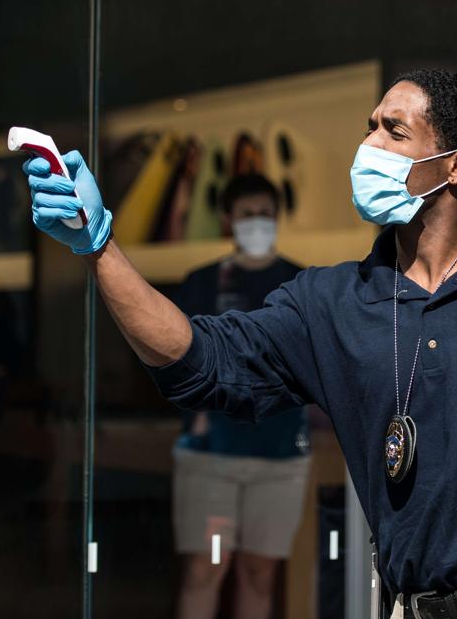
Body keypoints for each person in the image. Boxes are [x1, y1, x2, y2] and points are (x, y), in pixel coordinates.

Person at [24, 69, 457, 618]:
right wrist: (100, 248)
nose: (368, 145)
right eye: (369, 127)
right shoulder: (331, 303)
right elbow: (201, 363)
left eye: (393, 130)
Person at [171, 174, 310, 619]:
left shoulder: (300, 284)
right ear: (228, 219)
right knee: (205, 570)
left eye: (265, 214)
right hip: (210, 453)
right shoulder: (201, 283)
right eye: (247, 215)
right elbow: (174, 360)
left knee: (260, 574)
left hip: (281, 455)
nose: (258, 223)